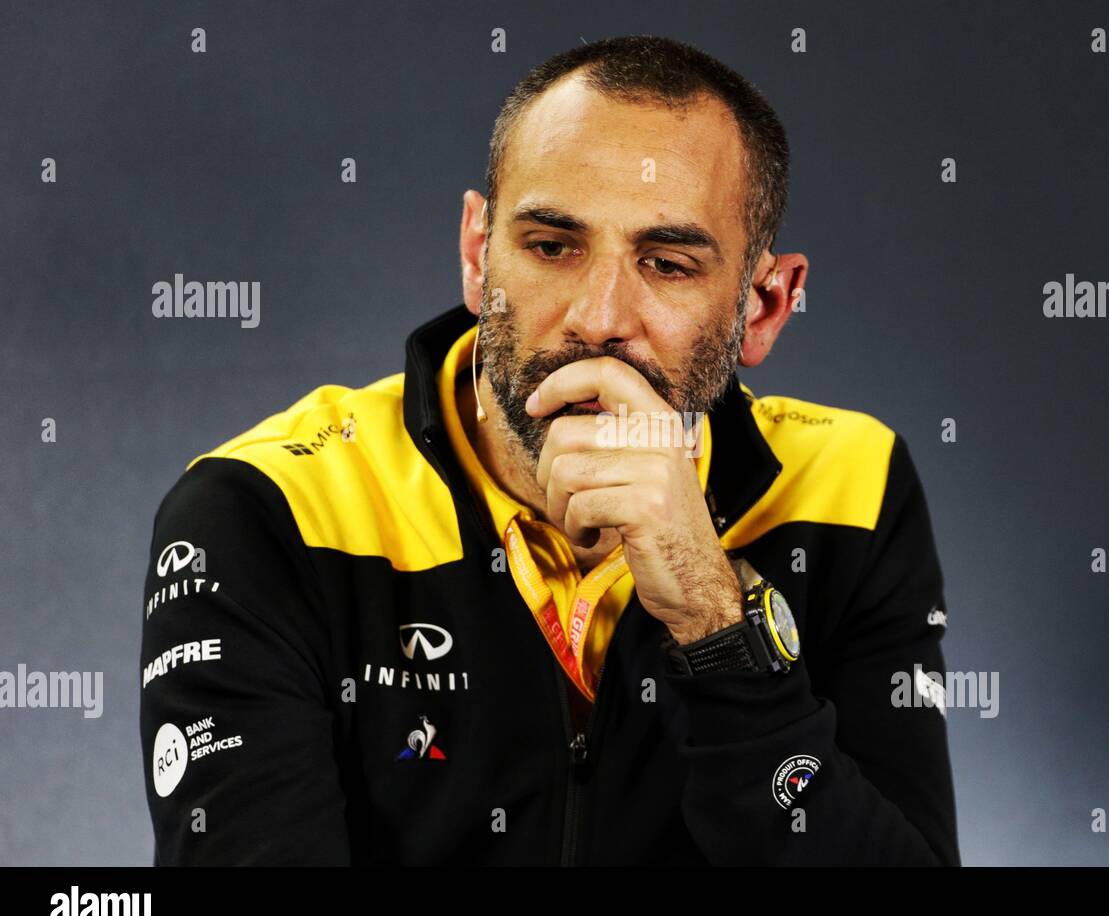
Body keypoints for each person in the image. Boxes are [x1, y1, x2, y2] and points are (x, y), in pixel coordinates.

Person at [139, 34, 959, 865]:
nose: (599, 317)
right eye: (551, 247)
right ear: (475, 253)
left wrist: (715, 621)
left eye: (668, 263)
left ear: (765, 306)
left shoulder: (853, 483)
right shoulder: (266, 506)